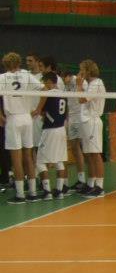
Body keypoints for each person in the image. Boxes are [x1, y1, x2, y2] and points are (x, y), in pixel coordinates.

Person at [0, 51, 44, 203]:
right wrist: (38, 108)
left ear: (5, 65)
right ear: (19, 63)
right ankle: (32, 193)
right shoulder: (27, 75)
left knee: (16, 158)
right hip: (27, 118)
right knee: (28, 156)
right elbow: (44, 89)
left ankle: (20, 195)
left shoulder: (3, 77)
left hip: (13, 119)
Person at [33, 72, 69, 200]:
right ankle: (59, 191)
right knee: (59, 160)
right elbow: (65, 112)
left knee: (39, 161)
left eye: (44, 82)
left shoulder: (48, 94)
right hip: (61, 129)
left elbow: (39, 111)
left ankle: (47, 192)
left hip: (50, 130)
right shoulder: (63, 94)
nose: (44, 85)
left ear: (49, 81)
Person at [76, 59, 106, 197]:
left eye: (82, 69)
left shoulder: (97, 83)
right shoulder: (90, 84)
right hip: (87, 121)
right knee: (89, 154)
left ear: (88, 71)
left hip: (93, 121)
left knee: (95, 154)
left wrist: (78, 85)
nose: (80, 72)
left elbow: (81, 99)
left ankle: (100, 187)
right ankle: (91, 183)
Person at [61, 69, 87, 192]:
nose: (63, 81)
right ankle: (81, 179)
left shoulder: (80, 82)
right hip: (71, 118)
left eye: (64, 78)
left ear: (69, 76)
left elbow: (85, 99)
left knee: (86, 149)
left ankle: (88, 181)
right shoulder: (65, 86)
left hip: (81, 117)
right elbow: (66, 103)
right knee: (74, 148)